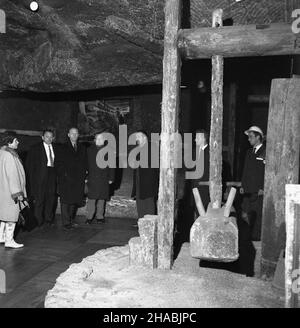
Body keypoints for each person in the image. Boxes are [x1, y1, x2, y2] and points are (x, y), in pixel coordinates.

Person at [56, 128, 87, 230]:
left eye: (76, 133)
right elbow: (58, 163)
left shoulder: (82, 147)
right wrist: (64, 175)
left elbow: (84, 163)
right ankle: (66, 222)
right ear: (68, 135)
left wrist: (84, 174)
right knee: (65, 201)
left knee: (74, 200)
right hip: (66, 179)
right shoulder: (63, 147)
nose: (74, 135)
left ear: (78, 135)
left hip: (78, 179)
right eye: (72, 133)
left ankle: (71, 220)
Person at [26, 129, 57, 227]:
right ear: (43, 137)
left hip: (52, 175)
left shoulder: (56, 148)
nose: (49, 138)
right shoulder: (35, 148)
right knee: (39, 200)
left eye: (51, 137)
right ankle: (38, 220)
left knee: (50, 198)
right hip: (40, 177)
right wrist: (32, 181)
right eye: (47, 136)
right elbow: (29, 165)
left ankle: (48, 219)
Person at [0, 132, 26, 248]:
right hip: (11, 193)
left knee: (3, 216)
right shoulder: (10, 156)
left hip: (3, 191)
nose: (18, 142)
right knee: (11, 216)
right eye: (16, 140)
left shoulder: (2, 153)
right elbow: (12, 176)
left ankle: (1, 237)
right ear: (9, 142)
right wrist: (17, 193)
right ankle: (9, 241)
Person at [240, 126, 266, 241]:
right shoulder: (249, 152)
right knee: (245, 214)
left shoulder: (265, 152)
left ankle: (256, 239)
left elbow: (266, 172)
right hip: (247, 190)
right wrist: (242, 185)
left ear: (258, 137)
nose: (249, 139)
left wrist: (262, 187)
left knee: (257, 215)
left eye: (251, 137)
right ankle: (247, 238)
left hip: (258, 190)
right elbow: (245, 170)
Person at [85, 132, 115, 224]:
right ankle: (89, 217)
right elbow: (85, 164)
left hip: (103, 178)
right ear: (94, 140)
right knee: (91, 199)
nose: (99, 140)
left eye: (101, 139)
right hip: (92, 178)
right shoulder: (89, 150)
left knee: (102, 199)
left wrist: (111, 178)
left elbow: (112, 166)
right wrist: (85, 177)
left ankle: (100, 217)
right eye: (97, 139)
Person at [131, 131, 159, 221]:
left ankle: (150, 223)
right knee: (140, 201)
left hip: (149, 180)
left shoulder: (152, 147)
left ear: (144, 138)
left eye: (138, 137)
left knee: (148, 202)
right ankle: (141, 221)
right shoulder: (138, 148)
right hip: (139, 179)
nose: (136, 139)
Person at [191, 129, 210, 217]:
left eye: (197, 138)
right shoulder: (194, 151)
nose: (195, 140)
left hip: (205, 189)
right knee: (196, 213)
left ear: (204, 139)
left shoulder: (211, 152)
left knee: (205, 214)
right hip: (195, 188)